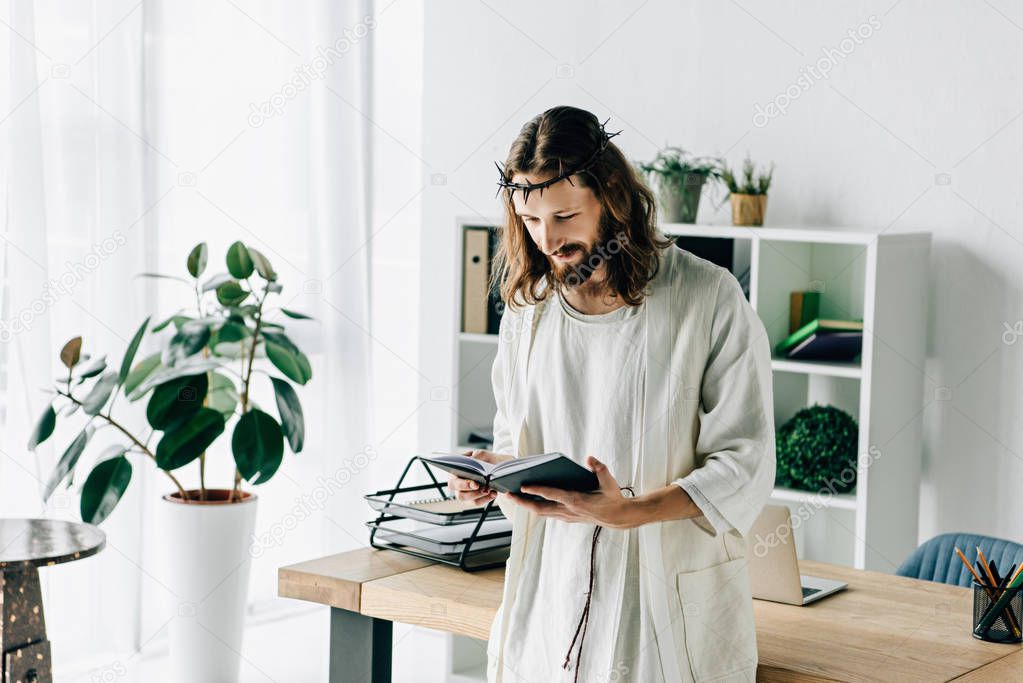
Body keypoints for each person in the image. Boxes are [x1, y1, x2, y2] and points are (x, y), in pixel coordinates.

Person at [447, 105, 775, 682]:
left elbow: (745, 465)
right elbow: (514, 439)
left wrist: (631, 512)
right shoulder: (528, 313)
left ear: (613, 196)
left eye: (565, 215)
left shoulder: (708, 298)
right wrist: (492, 475)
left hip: (663, 607)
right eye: (529, 219)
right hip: (553, 601)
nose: (547, 239)